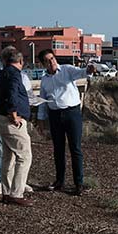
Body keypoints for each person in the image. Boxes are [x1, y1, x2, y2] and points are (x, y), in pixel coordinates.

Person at [35, 49, 96, 196]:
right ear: (43, 64)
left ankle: (78, 183)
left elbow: (82, 72)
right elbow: (43, 101)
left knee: (75, 148)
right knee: (58, 149)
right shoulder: (44, 80)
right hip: (55, 115)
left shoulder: (67, 70)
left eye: (53, 58)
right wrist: (41, 120)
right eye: (48, 60)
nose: (52, 62)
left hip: (72, 113)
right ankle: (59, 181)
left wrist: (89, 69)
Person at [0, 52, 34, 196]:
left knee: (8, 156)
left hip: (0, 118)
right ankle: (16, 193)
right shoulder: (14, 74)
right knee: (24, 156)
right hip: (12, 120)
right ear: (20, 61)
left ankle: (6, 191)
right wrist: (14, 114)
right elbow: (12, 94)